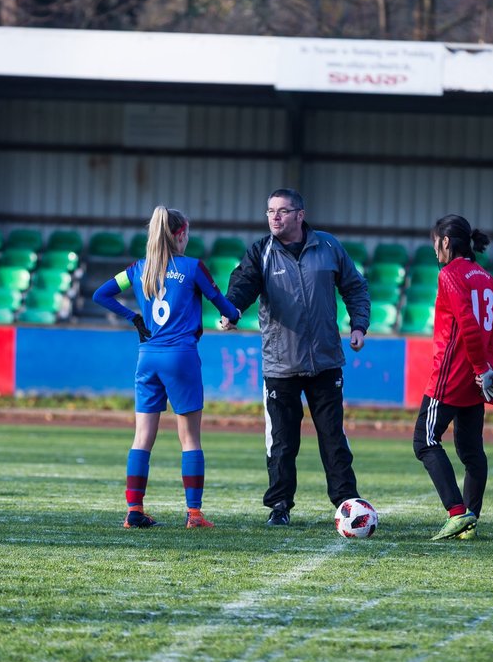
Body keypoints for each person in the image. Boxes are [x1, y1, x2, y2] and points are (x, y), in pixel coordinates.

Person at [221, 188, 371, 525]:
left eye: (282, 211)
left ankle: (347, 503)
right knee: (282, 442)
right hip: (281, 365)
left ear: (300, 215)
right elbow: (242, 284)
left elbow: (355, 287)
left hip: (326, 362)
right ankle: (279, 506)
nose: (275, 217)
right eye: (270, 211)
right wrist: (232, 311)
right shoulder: (260, 252)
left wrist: (359, 326)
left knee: (334, 439)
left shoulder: (329, 247)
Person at [92, 206, 241, 529]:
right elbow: (225, 305)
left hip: (147, 356)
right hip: (181, 357)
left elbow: (100, 294)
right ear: (181, 235)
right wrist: (234, 315)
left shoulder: (139, 269)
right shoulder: (191, 267)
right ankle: (194, 514)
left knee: (142, 437)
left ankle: (134, 511)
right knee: (190, 439)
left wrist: (133, 317)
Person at [413, 215, 493, 541]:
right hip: (475, 377)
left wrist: (482, 369)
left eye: (435, 243)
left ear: (445, 242)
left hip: (451, 375)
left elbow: (468, 323)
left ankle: (457, 512)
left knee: (425, 441)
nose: (435, 249)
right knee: (471, 452)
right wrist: (488, 367)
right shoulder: (487, 277)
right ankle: (470, 519)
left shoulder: (450, 275)